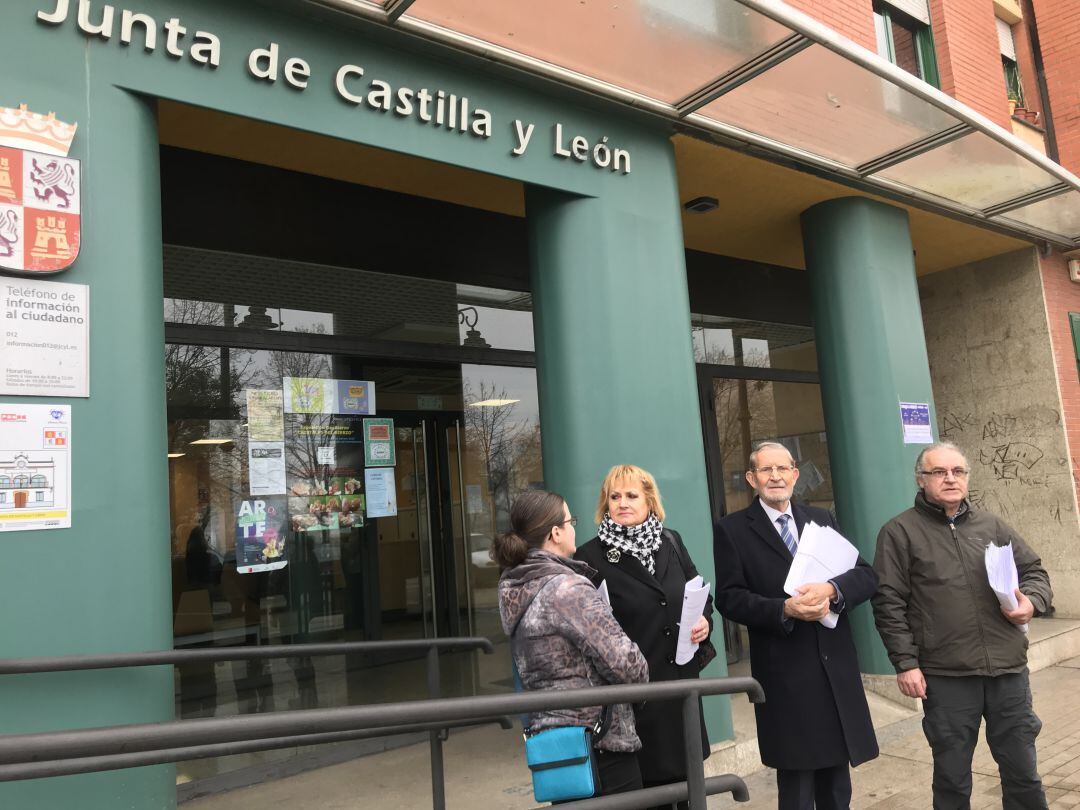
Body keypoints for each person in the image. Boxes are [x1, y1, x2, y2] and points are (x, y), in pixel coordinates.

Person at [873, 441, 1052, 810]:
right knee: (952, 779)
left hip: (1007, 671)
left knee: (1023, 773)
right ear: (921, 480)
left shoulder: (992, 525)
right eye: (939, 472)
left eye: (958, 472)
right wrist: (906, 663)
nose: (950, 479)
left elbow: (1035, 571)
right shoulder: (899, 533)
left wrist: (1031, 602)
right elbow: (888, 603)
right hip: (947, 676)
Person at [713, 442, 879, 810]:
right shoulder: (733, 529)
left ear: (795, 475)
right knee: (798, 785)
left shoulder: (821, 518)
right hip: (785, 673)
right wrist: (784, 609)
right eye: (766, 470)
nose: (775, 477)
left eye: (783, 469)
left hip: (834, 670)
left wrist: (832, 589)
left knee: (838, 784)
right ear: (752, 478)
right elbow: (729, 598)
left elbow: (866, 575)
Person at [574, 464, 715, 808]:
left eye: (631, 495)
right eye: (614, 496)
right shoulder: (589, 556)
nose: (622, 503)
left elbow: (699, 594)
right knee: (650, 795)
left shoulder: (671, 541)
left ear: (649, 501)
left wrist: (704, 621)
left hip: (681, 688)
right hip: (636, 698)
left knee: (690, 791)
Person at [494, 489, 650, 798]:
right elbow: (631, 668)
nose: (573, 527)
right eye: (570, 521)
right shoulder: (568, 589)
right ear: (555, 532)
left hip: (555, 744)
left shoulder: (515, 584)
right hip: (600, 742)